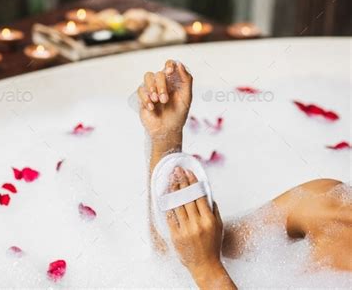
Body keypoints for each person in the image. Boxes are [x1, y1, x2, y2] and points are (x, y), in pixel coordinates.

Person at [136, 60, 352, 289]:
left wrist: (208, 271)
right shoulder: (325, 204)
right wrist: (166, 137)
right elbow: (173, 252)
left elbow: (200, 261)